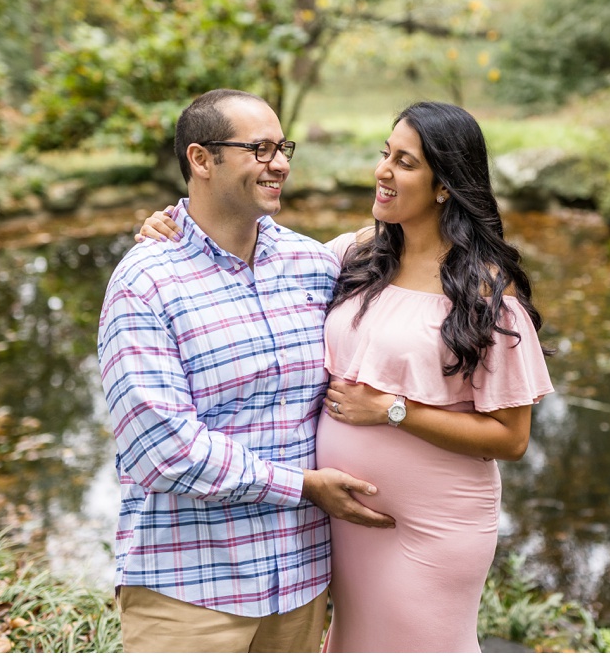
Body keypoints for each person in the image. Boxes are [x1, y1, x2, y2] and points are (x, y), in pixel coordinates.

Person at [139, 100, 554, 653]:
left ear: (444, 186)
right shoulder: (357, 255)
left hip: (433, 528)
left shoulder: (483, 293)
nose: (383, 170)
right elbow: (257, 254)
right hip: (343, 524)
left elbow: (512, 437)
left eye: (406, 162)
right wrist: (174, 225)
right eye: (386, 153)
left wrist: (393, 410)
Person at [98, 88, 394, 655]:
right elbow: (162, 451)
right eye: (259, 149)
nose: (279, 162)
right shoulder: (145, 283)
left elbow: (421, 241)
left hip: (301, 586)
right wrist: (304, 487)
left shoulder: (312, 265)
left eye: (283, 147)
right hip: (189, 592)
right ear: (200, 160)